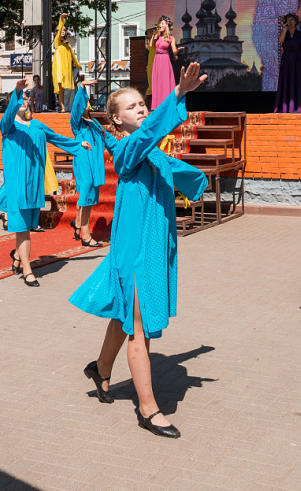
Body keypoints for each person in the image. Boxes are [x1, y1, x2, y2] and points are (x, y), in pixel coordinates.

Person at [70, 63, 209, 439]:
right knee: (140, 327)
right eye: (132, 106)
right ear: (116, 120)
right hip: (134, 250)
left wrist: (199, 182)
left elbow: (174, 167)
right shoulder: (127, 149)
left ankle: (100, 370)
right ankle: (148, 409)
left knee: (125, 316)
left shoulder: (152, 153)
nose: (142, 109)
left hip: (156, 247)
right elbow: (149, 133)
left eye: (143, 103)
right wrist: (177, 96)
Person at [0, 79, 90, 287]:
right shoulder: (8, 127)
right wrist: (17, 90)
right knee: (22, 228)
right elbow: (7, 117)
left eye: (26, 98)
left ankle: (17, 257)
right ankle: (28, 271)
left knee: (27, 227)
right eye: (20, 98)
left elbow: (58, 138)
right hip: (17, 185)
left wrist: (78, 143)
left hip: (34, 184)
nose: (24, 100)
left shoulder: (37, 125)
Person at [69, 78, 109, 247]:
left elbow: (106, 139)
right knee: (86, 195)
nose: (86, 103)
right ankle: (85, 235)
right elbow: (77, 107)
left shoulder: (94, 122)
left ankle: (79, 225)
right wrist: (82, 87)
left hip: (95, 163)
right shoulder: (78, 124)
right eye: (84, 101)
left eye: (87, 101)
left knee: (90, 196)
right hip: (84, 161)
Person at [274, 13, 301, 113]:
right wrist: (285, 29)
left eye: (292, 20)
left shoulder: (300, 34)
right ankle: (285, 107)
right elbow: (281, 41)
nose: (290, 21)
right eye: (288, 20)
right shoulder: (285, 33)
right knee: (286, 81)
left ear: (296, 21)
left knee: (297, 81)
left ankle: (297, 107)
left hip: (297, 59)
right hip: (287, 59)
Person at [148, 16, 179, 109]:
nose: (160, 25)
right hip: (157, 60)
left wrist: (178, 50)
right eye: (159, 23)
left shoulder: (171, 38)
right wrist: (154, 33)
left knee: (165, 82)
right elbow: (150, 45)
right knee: (157, 81)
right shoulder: (157, 36)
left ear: (167, 26)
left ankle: (167, 104)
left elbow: (174, 51)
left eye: (162, 23)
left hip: (165, 60)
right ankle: (157, 105)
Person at [53, 13, 81, 112]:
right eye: (62, 30)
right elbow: (59, 28)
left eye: (65, 30)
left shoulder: (67, 44)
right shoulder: (57, 42)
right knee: (60, 87)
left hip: (66, 68)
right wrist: (61, 19)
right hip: (59, 67)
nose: (63, 32)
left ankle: (61, 105)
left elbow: (73, 55)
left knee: (64, 88)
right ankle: (62, 106)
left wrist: (77, 65)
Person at [144, 26, 157, 99]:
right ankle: (144, 101)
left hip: (156, 61)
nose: (152, 33)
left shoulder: (155, 40)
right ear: (147, 35)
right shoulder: (151, 41)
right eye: (150, 32)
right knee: (151, 83)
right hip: (151, 63)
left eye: (152, 32)